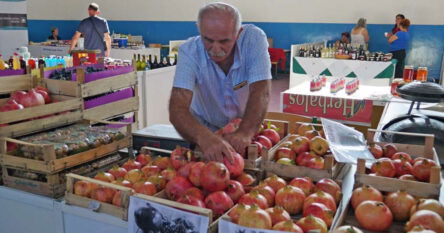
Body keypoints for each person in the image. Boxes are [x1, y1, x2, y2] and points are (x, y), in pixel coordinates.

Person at [169, 2, 271, 162]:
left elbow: (261, 90)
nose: (215, 49)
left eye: (224, 41)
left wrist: (245, 132)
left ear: (238, 33)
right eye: (208, 40)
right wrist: (204, 137)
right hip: (205, 128)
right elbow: (177, 108)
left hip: (246, 125)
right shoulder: (188, 51)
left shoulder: (253, 39)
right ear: (199, 29)